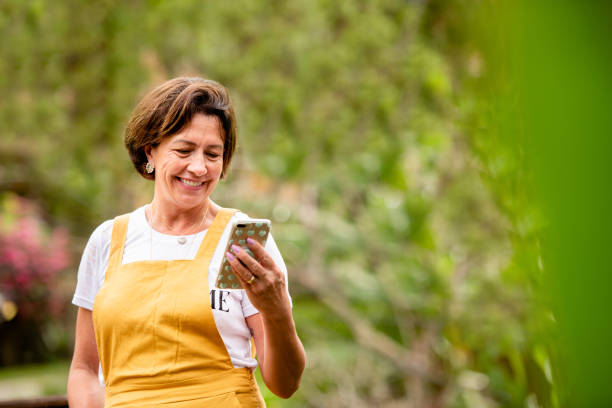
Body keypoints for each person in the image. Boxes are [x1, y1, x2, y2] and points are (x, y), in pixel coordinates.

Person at [67, 77, 306, 407]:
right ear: (150, 149)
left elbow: (285, 384)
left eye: (213, 154)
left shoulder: (239, 241)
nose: (199, 167)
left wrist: (277, 309)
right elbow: (84, 369)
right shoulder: (108, 240)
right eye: (184, 150)